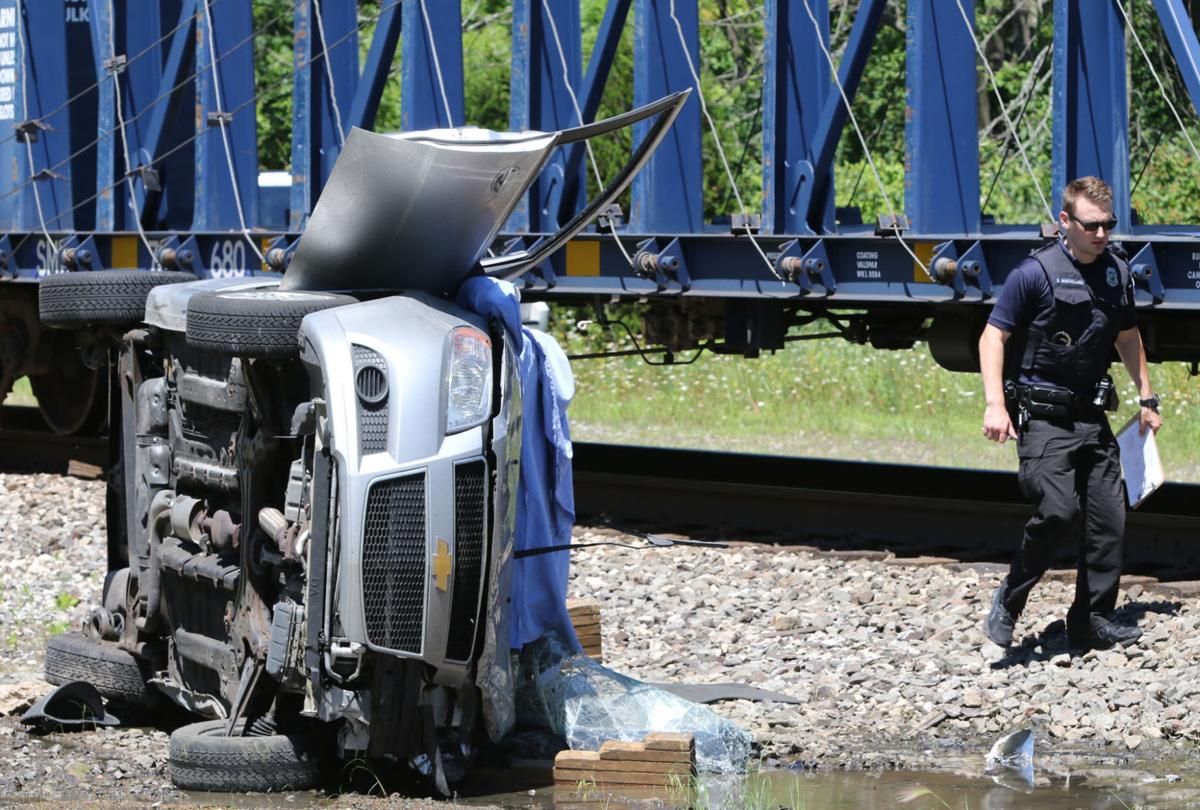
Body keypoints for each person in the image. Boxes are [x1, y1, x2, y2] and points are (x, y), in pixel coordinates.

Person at [978, 176, 1162, 651]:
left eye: (1108, 226)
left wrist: (1146, 397)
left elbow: (1126, 335)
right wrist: (996, 404)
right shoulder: (1034, 273)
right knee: (1058, 512)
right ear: (1066, 221)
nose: (1102, 235)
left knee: (1108, 520)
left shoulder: (1115, 271)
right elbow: (992, 336)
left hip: (1091, 417)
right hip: (1042, 419)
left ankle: (1092, 620)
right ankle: (1010, 600)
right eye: (1092, 226)